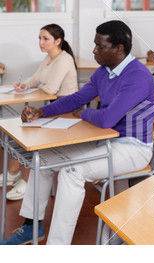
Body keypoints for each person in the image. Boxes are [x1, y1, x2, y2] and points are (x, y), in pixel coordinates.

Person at [0, 20, 154, 245]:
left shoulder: (138, 76)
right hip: (103, 140)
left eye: (100, 46)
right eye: (95, 45)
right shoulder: (104, 71)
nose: (94, 51)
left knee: (71, 172)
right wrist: (41, 111)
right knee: (42, 159)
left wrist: (83, 114)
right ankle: (31, 226)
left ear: (119, 49)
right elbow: (77, 99)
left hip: (132, 147)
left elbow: (107, 119)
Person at [0, 24, 78, 201]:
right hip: (52, 106)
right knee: (16, 129)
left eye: (45, 39)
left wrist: (35, 91)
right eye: (39, 38)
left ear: (58, 41)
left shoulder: (64, 59)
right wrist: (24, 86)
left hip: (66, 109)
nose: (41, 42)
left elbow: (51, 88)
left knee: (30, 133)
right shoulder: (49, 58)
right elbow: (36, 79)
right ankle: (13, 173)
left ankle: (28, 182)